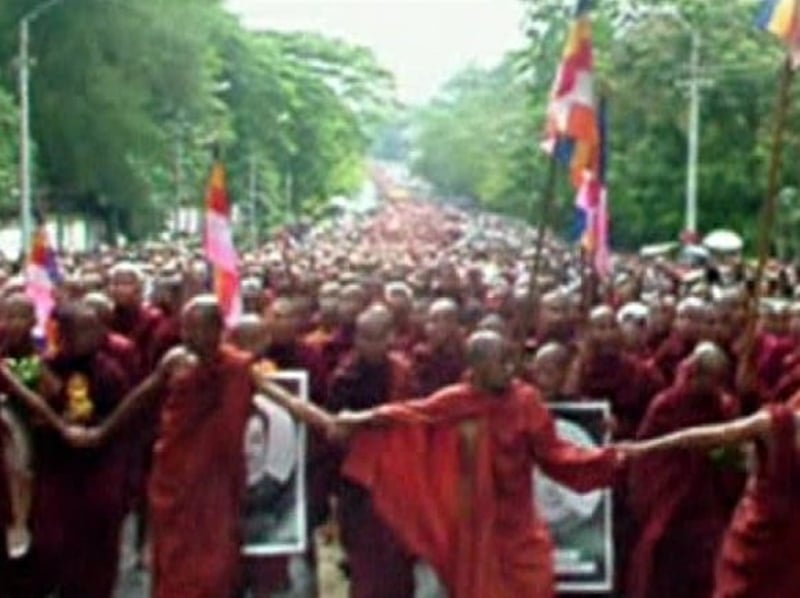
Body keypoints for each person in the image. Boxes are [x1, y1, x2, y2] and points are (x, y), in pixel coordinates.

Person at [270, 329, 629, 598]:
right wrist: (355, 419)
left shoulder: (526, 401)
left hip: (519, 522)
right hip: (476, 518)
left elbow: (555, 454)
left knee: (534, 583)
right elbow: (407, 414)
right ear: (477, 369)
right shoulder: (459, 400)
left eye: (510, 361)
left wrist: (603, 458)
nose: (509, 370)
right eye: (499, 364)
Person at [65, 295, 333, 598]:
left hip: (216, 483)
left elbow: (287, 400)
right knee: (174, 558)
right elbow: (140, 397)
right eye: (187, 328)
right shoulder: (175, 361)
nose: (192, 336)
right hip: (176, 479)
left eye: (201, 328)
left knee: (215, 567)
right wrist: (101, 432)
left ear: (219, 330)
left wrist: (328, 422)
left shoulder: (236, 367)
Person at [627, 394, 800, 598]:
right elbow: (708, 437)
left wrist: (642, 448)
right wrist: (642, 449)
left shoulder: (778, 423)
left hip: (771, 529)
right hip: (769, 530)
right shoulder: (779, 423)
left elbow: (708, 436)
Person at [627, 342, 743, 598]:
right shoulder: (666, 405)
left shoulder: (724, 407)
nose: (710, 385)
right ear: (693, 372)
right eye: (705, 377)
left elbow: (733, 458)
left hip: (708, 505)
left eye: (716, 379)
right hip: (670, 499)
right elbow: (648, 456)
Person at [327, 305, 418, 598]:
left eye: (376, 337)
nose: (369, 345)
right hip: (359, 480)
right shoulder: (345, 377)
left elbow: (414, 420)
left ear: (391, 337)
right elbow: (333, 430)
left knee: (397, 565)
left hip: (399, 478)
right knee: (366, 566)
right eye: (363, 337)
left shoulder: (403, 372)